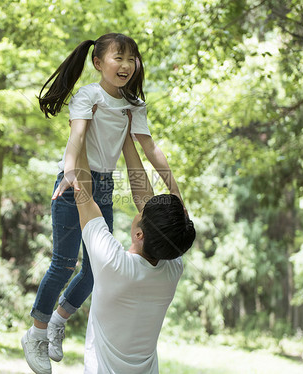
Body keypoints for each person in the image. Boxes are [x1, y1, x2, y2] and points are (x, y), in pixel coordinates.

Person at [22, 33, 184, 374]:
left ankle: (57, 319)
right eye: (118, 58)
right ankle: (36, 333)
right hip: (76, 177)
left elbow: (149, 149)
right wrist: (71, 174)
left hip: (106, 182)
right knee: (64, 263)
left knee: (97, 270)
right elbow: (77, 137)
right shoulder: (88, 95)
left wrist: (174, 191)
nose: (126, 65)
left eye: (131, 59)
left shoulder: (133, 106)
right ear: (98, 63)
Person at [75, 132, 196, 373]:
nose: (140, 207)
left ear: (139, 235)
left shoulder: (113, 264)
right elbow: (161, 219)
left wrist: (79, 131)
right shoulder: (172, 267)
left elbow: (83, 193)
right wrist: (125, 138)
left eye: (142, 211)